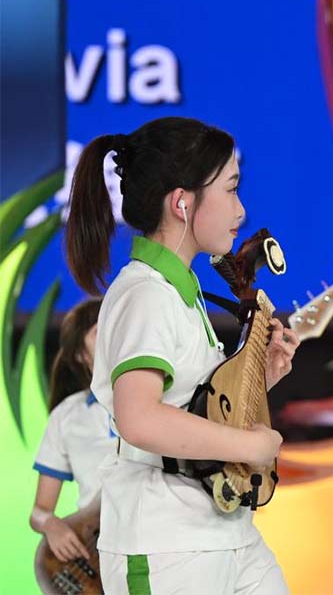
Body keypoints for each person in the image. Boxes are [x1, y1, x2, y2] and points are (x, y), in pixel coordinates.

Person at [65, 117, 300, 594]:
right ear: (182, 202)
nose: (241, 209)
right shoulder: (145, 294)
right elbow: (140, 419)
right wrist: (250, 446)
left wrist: (260, 382)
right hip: (165, 544)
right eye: (231, 190)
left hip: (222, 531)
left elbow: (188, 405)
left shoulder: (180, 291)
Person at [30, 298, 115, 562]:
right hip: (97, 555)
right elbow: (39, 511)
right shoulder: (67, 416)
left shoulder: (169, 398)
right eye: (100, 330)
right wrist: (51, 525)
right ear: (80, 354)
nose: (115, 333)